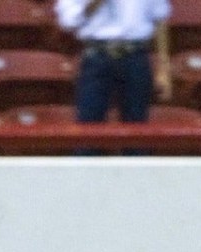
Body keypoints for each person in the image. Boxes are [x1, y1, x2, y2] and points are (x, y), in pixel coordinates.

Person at [55, 0, 172, 154]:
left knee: (137, 131)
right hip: (97, 56)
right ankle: (85, 175)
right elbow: (68, 21)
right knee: (88, 130)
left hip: (135, 56)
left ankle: (137, 175)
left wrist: (163, 69)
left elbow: (160, 17)